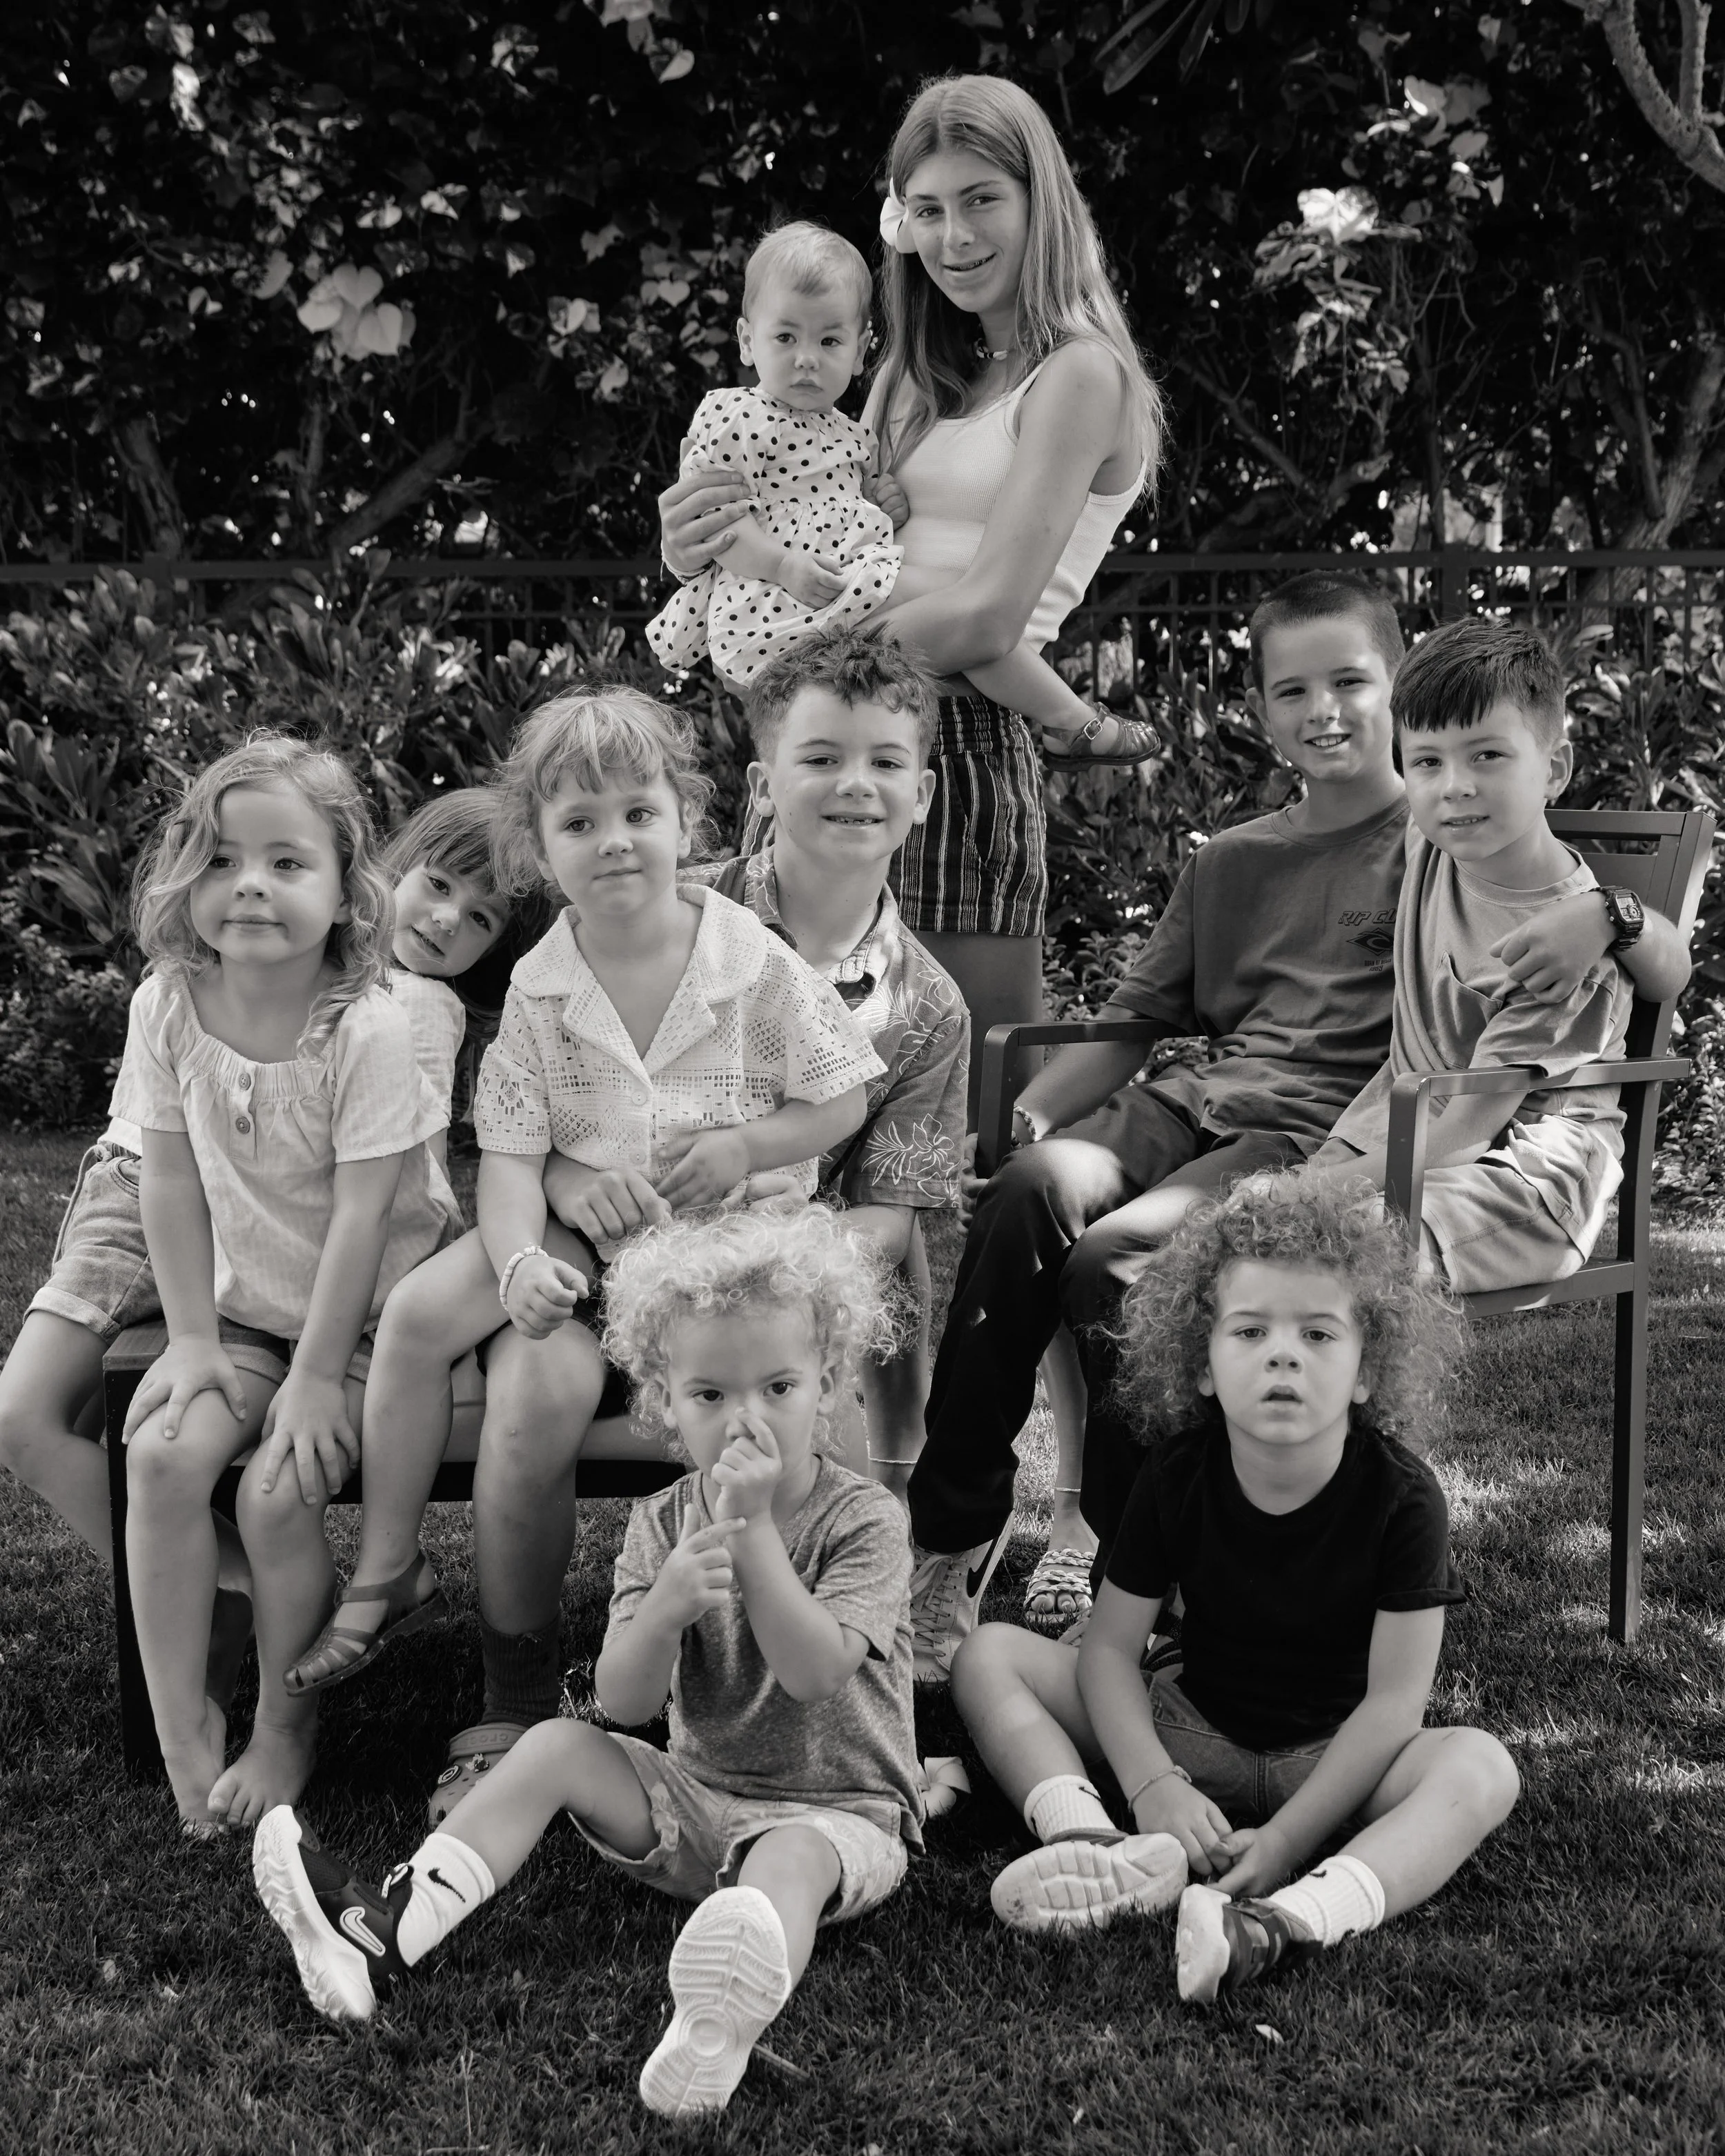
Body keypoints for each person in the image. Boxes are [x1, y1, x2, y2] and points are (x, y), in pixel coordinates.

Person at [903, 573, 1693, 1679]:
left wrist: (1606, 912)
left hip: (1344, 1137)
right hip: (1225, 1108)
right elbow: (1139, 1017)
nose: (1326, 713)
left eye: (1352, 684)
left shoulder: (1438, 836)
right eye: (1292, 690)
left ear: (1394, 689)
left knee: (1118, 1262)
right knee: (1032, 1187)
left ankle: (1141, 1576)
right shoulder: (1287, 852)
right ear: (1263, 709)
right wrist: (1028, 1116)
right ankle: (949, 1537)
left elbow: (1607, 951)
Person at [278, 689, 881, 1765]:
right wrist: (519, 1260)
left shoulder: (749, 960)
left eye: (639, 814)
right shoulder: (541, 987)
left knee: (801, 1406)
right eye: (580, 822)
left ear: (686, 819)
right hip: (584, 1264)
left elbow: (842, 1097)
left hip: (733, 1272)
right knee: (523, 1394)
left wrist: (746, 1146)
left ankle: (846, 1650)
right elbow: (511, 1157)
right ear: (540, 848)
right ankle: (514, 1688)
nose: (615, 842)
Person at [251, 1205, 920, 2119]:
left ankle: (718, 2021)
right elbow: (623, 1699)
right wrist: (666, 1610)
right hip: (698, 1799)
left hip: (839, 1815)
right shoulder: (662, 1522)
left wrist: (754, 1535)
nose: (745, 1419)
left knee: (792, 1856)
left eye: (778, 1387)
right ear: (664, 1401)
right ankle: (384, 1931)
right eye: (709, 1395)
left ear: (830, 1383)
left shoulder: (865, 1520)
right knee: (557, 1742)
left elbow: (814, 1673)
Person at [660, 75, 1167, 1094]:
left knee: (961, 1094)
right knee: (777, 1080)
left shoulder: (1079, 375)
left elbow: (986, 616)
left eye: (982, 200)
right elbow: (810, 530)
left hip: (955, 737)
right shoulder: (906, 378)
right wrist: (696, 548)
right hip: (822, 722)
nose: (955, 236)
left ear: (1040, 202)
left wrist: (804, 659)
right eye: (927, 208)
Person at [952, 1176, 1521, 2006]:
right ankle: (1100, 1844)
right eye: (1250, 1330)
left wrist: (1286, 1838)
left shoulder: (1405, 1498)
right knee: (988, 1653)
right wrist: (1152, 1784)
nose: (1283, 1354)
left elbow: (1394, 1706)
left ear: (1366, 1370)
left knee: (1481, 1766)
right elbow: (1108, 1651)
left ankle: (1290, 1919)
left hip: (1335, 1759)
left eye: (1317, 1333)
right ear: (1203, 1364)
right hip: (1190, 1729)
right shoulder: (1176, 1473)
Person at [107, 735, 460, 1834]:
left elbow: (365, 1216)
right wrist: (192, 1340)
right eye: (220, 859)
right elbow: (169, 1180)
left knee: (275, 1493)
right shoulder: (168, 1003)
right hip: (244, 1311)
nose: (249, 884)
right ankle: (182, 1725)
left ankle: (282, 1726)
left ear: (348, 889)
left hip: (367, 1325)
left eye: (285, 862)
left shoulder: (369, 1024)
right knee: (162, 1455)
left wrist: (314, 1378)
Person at [682, 624, 968, 1497]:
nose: (855, 782)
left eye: (885, 762)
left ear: (921, 793)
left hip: (792, 1277)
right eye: (820, 758)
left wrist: (786, 1242)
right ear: (763, 786)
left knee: (818, 1439)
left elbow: (889, 1219)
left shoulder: (928, 1007)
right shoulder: (681, 914)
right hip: (634, 1224)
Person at [647, 219, 1111, 758]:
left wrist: (879, 505)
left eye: (828, 341)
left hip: (900, 673)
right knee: (954, 596)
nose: (806, 358)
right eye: (785, 337)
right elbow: (720, 522)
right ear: (748, 340)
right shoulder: (748, 415)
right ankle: (1073, 721)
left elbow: (976, 612)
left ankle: (1072, 723)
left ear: (859, 348)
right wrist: (697, 552)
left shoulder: (848, 433)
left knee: (965, 604)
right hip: (803, 609)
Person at [1305, 615, 1658, 1292]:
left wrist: (1308, 1189)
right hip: (1401, 1133)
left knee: (1336, 1252)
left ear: (1554, 768)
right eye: (1427, 762)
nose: (1454, 785)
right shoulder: (1433, 840)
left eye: (1487, 755)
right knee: (1261, 1243)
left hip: (1521, 1180)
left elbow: (1469, 1132)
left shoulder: (1561, 951)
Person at [379, 786, 554, 1170]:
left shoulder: (426, 1008)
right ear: (404, 864)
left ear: (490, 952)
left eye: (480, 918)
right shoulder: (328, 957)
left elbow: (422, 1157)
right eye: (440, 885)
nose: (448, 919)